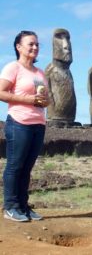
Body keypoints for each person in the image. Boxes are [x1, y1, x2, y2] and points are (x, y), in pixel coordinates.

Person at [0, 30, 48, 222]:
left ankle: (23, 206)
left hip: (38, 124)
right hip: (19, 123)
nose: (35, 47)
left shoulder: (40, 73)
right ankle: (10, 206)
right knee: (15, 165)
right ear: (19, 47)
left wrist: (45, 101)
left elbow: (45, 99)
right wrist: (27, 99)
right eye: (31, 44)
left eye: (37, 44)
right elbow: (1, 93)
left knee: (27, 167)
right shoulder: (13, 68)